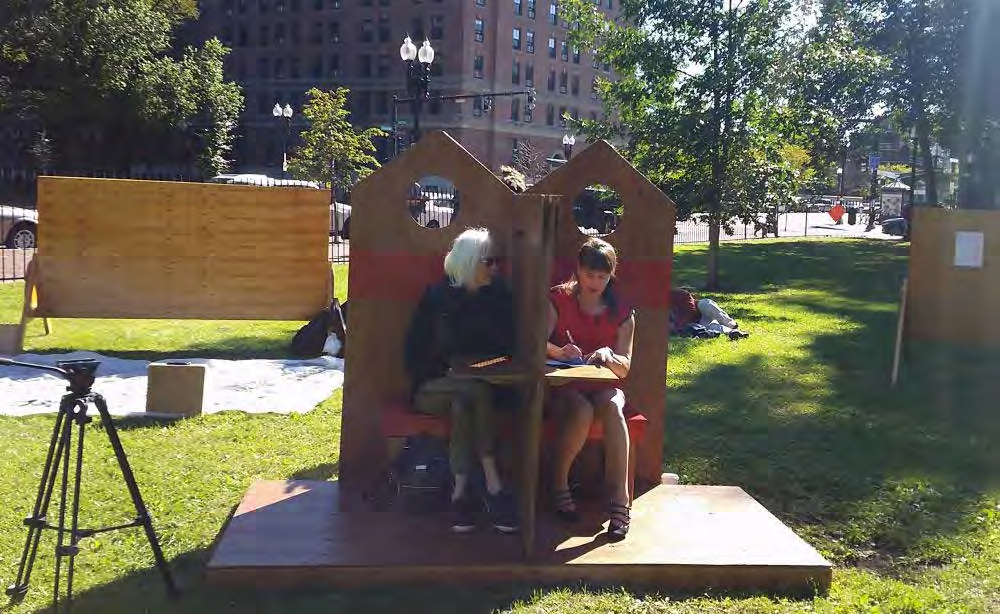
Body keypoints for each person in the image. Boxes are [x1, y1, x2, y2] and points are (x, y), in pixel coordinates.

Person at [404, 227, 519, 534]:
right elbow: (413, 354)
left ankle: (460, 492)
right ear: (470, 262)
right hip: (432, 387)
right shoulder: (436, 298)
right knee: (472, 392)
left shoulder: (498, 296)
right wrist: (446, 369)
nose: (495, 268)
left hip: (477, 385)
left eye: (497, 261)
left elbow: (509, 345)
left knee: (465, 402)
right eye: (489, 261)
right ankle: (493, 485)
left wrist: (483, 365)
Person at [545, 237, 635, 540]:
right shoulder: (558, 299)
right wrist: (560, 352)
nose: (595, 282)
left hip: (603, 385)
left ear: (611, 275)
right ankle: (558, 483)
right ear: (578, 270)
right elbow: (533, 343)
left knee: (612, 406)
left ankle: (620, 500)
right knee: (581, 410)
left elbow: (625, 367)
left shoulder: (622, 311)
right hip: (564, 385)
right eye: (589, 275)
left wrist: (610, 355)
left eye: (602, 276)